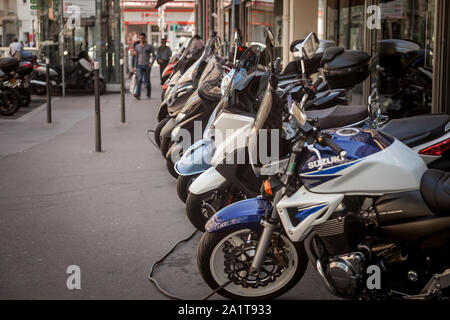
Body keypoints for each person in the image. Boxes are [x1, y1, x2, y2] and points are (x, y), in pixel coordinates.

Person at [133, 33, 154, 100]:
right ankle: (137, 94)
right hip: (139, 65)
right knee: (139, 79)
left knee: (147, 80)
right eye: (140, 38)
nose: (141, 39)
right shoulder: (137, 47)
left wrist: (151, 63)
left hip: (147, 65)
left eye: (142, 38)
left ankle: (148, 94)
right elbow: (136, 57)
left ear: (145, 38)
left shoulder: (149, 46)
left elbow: (154, 55)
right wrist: (135, 66)